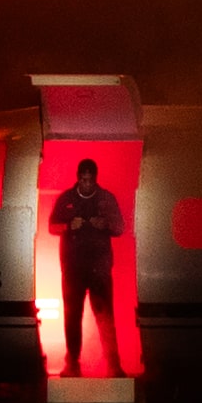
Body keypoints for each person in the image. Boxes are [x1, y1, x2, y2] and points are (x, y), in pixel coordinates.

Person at [50, 155, 127, 375]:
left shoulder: (106, 198)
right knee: (72, 316)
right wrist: (68, 226)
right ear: (78, 178)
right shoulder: (66, 198)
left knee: (105, 316)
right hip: (73, 268)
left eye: (90, 180)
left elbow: (120, 227)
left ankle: (113, 365)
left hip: (99, 269)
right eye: (83, 180)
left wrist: (105, 224)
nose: (86, 184)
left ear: (95, 178)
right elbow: (52, 227)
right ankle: (72, 363)